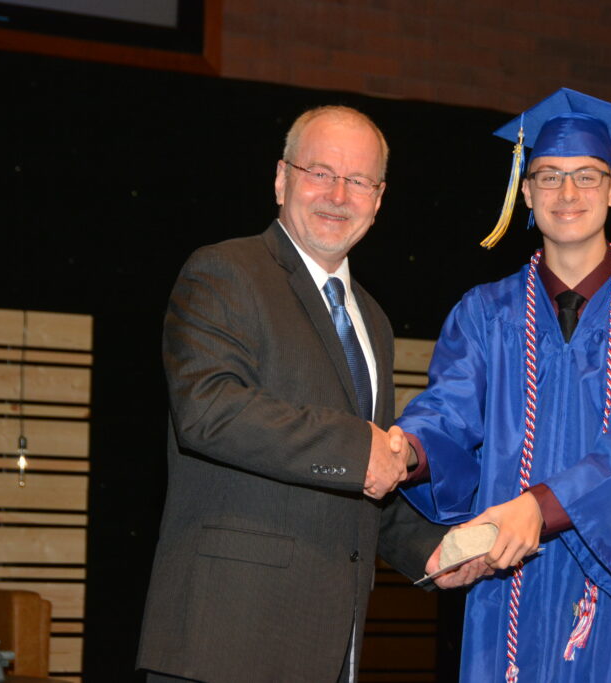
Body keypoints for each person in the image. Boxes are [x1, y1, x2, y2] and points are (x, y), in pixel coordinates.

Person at [137, 105, 461, 683]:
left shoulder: (375, 323)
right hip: (226, 641)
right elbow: (207, 410)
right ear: (282, 178)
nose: (338, 194)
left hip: (333, 646)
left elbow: (357, 481)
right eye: (320, 172)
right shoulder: (224, 271)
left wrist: (430, 553)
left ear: (379, 198)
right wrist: (358, 447)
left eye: (358, 180)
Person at [396, 88, 611, 681]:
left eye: (587, 176)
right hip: (514, 565)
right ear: (526, 192)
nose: (568, 194)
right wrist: (406, 449)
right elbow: (450, 412)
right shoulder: (484, 314)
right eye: (548, 176)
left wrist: (540, 509)